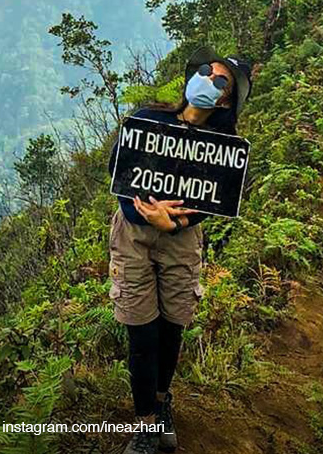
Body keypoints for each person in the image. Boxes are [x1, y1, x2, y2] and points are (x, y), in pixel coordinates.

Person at [107, 45, 253, 454]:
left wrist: (177, 222)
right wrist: (145, 215)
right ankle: (146, 426)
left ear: (226, 99)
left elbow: (215, 198)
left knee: (171, 329)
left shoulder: (224, 147)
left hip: (181, 242)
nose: (207, 79)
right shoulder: (146, 119)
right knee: (141, 333)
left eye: (219, 80)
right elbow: (119, 174)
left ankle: (161, 400)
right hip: (133, 237)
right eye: (206, 70)